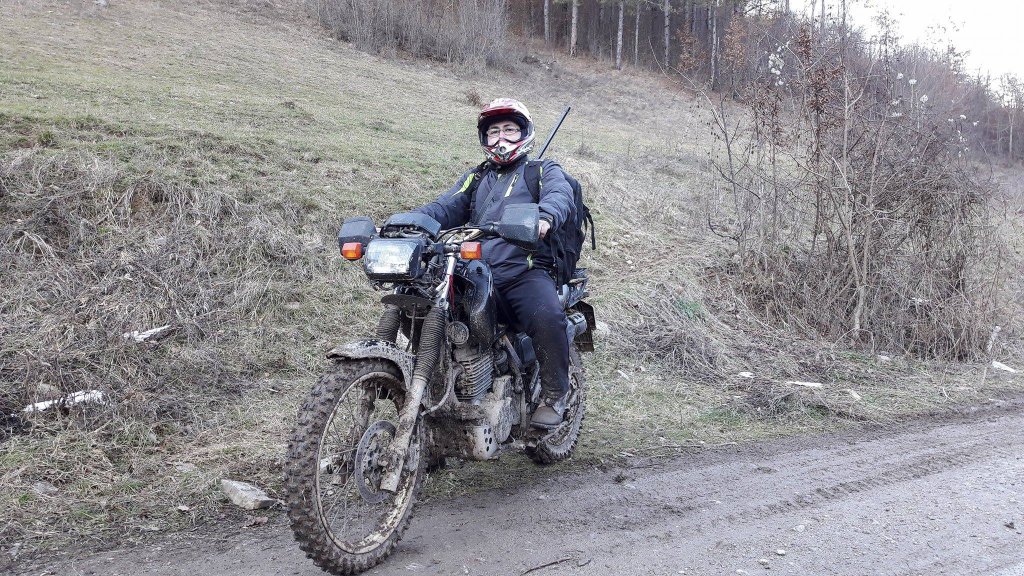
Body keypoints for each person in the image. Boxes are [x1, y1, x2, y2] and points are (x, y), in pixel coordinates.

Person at [413, 98, 575, 428]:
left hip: (521, 271)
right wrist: (408, 223)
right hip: (474, 272)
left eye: (510, 130)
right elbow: (444, 207)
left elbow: (560, 196)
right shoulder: (477, 177)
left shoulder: (542, 171)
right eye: (494, 132)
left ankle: (555, 394)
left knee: (546, 314)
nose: (501, 138)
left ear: (524, 134)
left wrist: (544, 218)